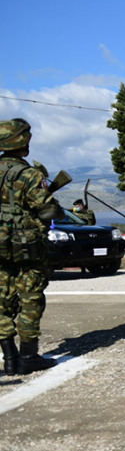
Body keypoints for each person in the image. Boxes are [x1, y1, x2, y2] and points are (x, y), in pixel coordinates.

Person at [0, 118, 62, 376]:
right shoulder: (29, 175)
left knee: (1, 298)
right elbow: (47, 211)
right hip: (25, 247)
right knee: (30, 297)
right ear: (23, 142)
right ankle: (28, 356)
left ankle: (9, 357)